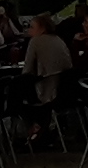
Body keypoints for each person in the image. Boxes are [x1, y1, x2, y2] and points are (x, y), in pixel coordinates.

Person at [21, 13, 74, 145]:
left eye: (32, 27)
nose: (29, 30)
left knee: (19, 95)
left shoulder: (35, 42)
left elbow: (26, 70)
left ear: (42, 29)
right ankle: (43, 130)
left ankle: (34, 131)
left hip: (46, 89)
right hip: (64, 88)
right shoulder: (58, 40)